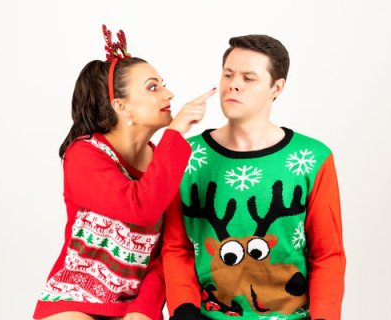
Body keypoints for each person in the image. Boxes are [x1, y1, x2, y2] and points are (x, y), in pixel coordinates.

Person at [33, 25, 216, 320]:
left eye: (163, 84)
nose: (169, 94)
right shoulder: (83, 155)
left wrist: (143, 310)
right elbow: (139, 207)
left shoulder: (164, 160)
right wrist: (177, 132)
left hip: (135, 304)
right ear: (121, 106)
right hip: (75, 299)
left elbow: (164, 253)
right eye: (153, 87)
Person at [162, 34, 346, 320]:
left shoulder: (313, 158)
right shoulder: (186, 156)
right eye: (228, 74)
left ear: (276, 87)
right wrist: (184, 312)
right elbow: (176, 246)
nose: (234, 84)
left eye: (249, 78)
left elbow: (327, 254)